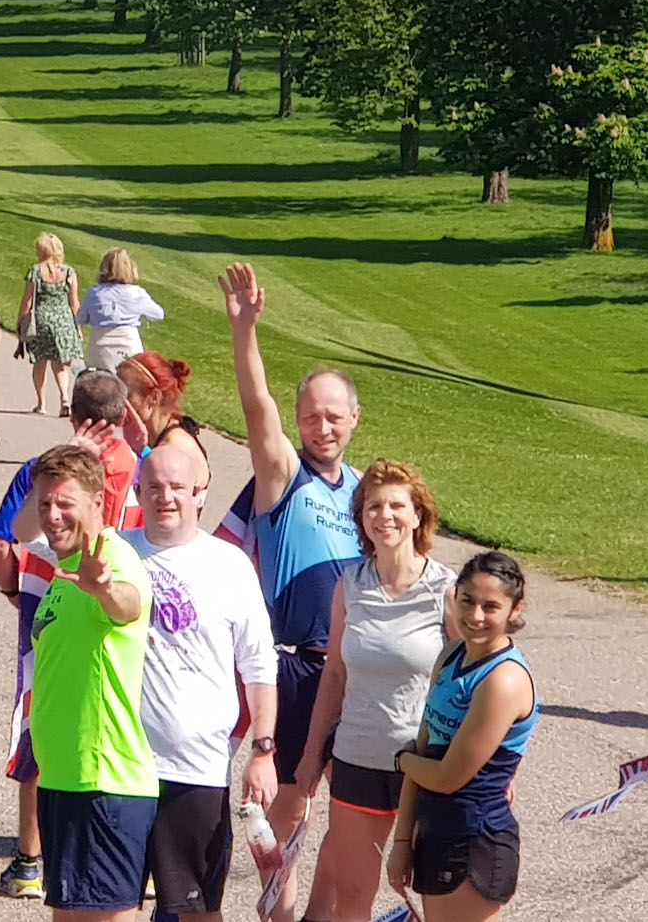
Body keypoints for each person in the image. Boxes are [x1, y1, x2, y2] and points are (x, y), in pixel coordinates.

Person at [215, 263, 364, 892]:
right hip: (297, 669)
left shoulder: (365, 493)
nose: (321, 428)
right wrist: (246, 331)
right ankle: (278, 907)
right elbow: (257, 407)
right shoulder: (282, 475)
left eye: (333, 417)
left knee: (357, 815)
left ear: (355, 418)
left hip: (353, 669)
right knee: (291, 813)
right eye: (310, 417)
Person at [124, 442, 277, 922]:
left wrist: (263, 749)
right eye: (153, 487)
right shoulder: (116, 552)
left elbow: (258, 666)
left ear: (199, 494)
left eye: (177, 487)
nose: (165, 497)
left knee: (197, 909)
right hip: (118, 765)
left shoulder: (229, 566)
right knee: (110, 907)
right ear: (138, 492)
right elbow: (29, 540)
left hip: (196, 768)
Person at [294, 462, 454, 922]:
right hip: (357, 759)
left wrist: (490, 766)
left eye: (397, 506)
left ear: (418, 516)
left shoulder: (446, 590)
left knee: (433, 896)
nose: (385, 516)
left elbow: (472, 682)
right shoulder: (350, 584)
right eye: (373, 507)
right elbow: (335, 675)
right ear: (361, 518)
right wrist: (310, 754)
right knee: (352, 897)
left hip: (425, 765)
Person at [18, 443, 156, 922]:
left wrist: (104, 589)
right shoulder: (65, 571)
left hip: (104, 782)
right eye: (44, 504)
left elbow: (128, 604)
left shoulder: (110, 560)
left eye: (64, 504)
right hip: (63, 780)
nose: (52, 516)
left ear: (98, 503)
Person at [387, 552, 535, 922]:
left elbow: (447, 776)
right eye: (467, 601)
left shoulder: (503, 680)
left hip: (476, 841)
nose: (476, 616)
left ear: (515, 610)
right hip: (436, 831)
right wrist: (402, 842)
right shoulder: (452, 654)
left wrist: (402, 760)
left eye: (491, 606)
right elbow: (424, 746)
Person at [19, 235, 85, 416]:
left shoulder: (35, 271)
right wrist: (78, 327)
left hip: (42, 321)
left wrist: (21, 323)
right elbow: (74, 303)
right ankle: (64, 398)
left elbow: (28, 302)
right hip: (63, 322)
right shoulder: (69, 272)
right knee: (61, 364)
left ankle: (41, 404)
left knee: (40, 363)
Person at [77, 249, 163, 374]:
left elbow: (80, 318)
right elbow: (158, 314)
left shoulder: (95, 292)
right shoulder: (137, 293)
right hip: (129, 349)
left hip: (100, 352)